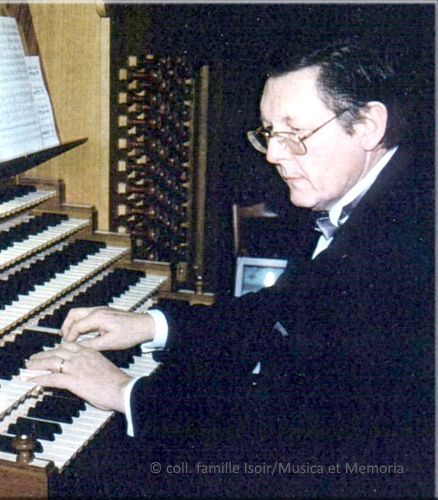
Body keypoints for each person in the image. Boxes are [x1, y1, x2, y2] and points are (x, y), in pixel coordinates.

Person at [27, 35, 434, 497]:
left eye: (293, 134)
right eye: (268, 133)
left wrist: (126, 392)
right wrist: (151, 326)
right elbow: (281, 311)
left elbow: (296, 430)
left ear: (367, 125)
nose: (275, 155)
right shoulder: (375, 198)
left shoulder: (404, 251)